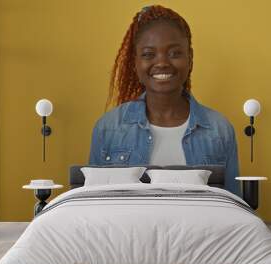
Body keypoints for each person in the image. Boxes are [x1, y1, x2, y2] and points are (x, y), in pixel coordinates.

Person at [89, 5, 240, 196]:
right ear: (135, 63)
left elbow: (235, 208)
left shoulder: (219, 130)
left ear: (190, 58)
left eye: (174, 53)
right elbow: (91, 207)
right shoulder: (108, 128)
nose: (161, 63)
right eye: (148, 54)